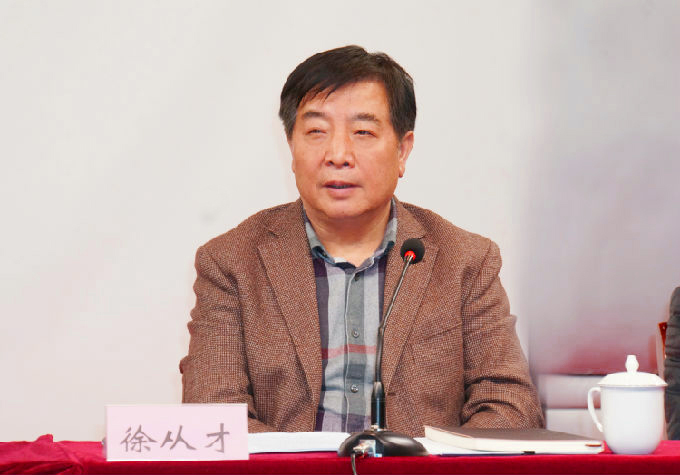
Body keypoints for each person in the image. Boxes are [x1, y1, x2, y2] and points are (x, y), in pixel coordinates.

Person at [180, 45, 544, 437]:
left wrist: (418, 462)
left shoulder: (465, 261)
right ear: (291, 148)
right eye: (316, 132)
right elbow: (212, 416)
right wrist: (307, 463)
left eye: (363, 132)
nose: (338, 155)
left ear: (402, 151)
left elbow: (511, 409)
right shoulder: (231, 262)